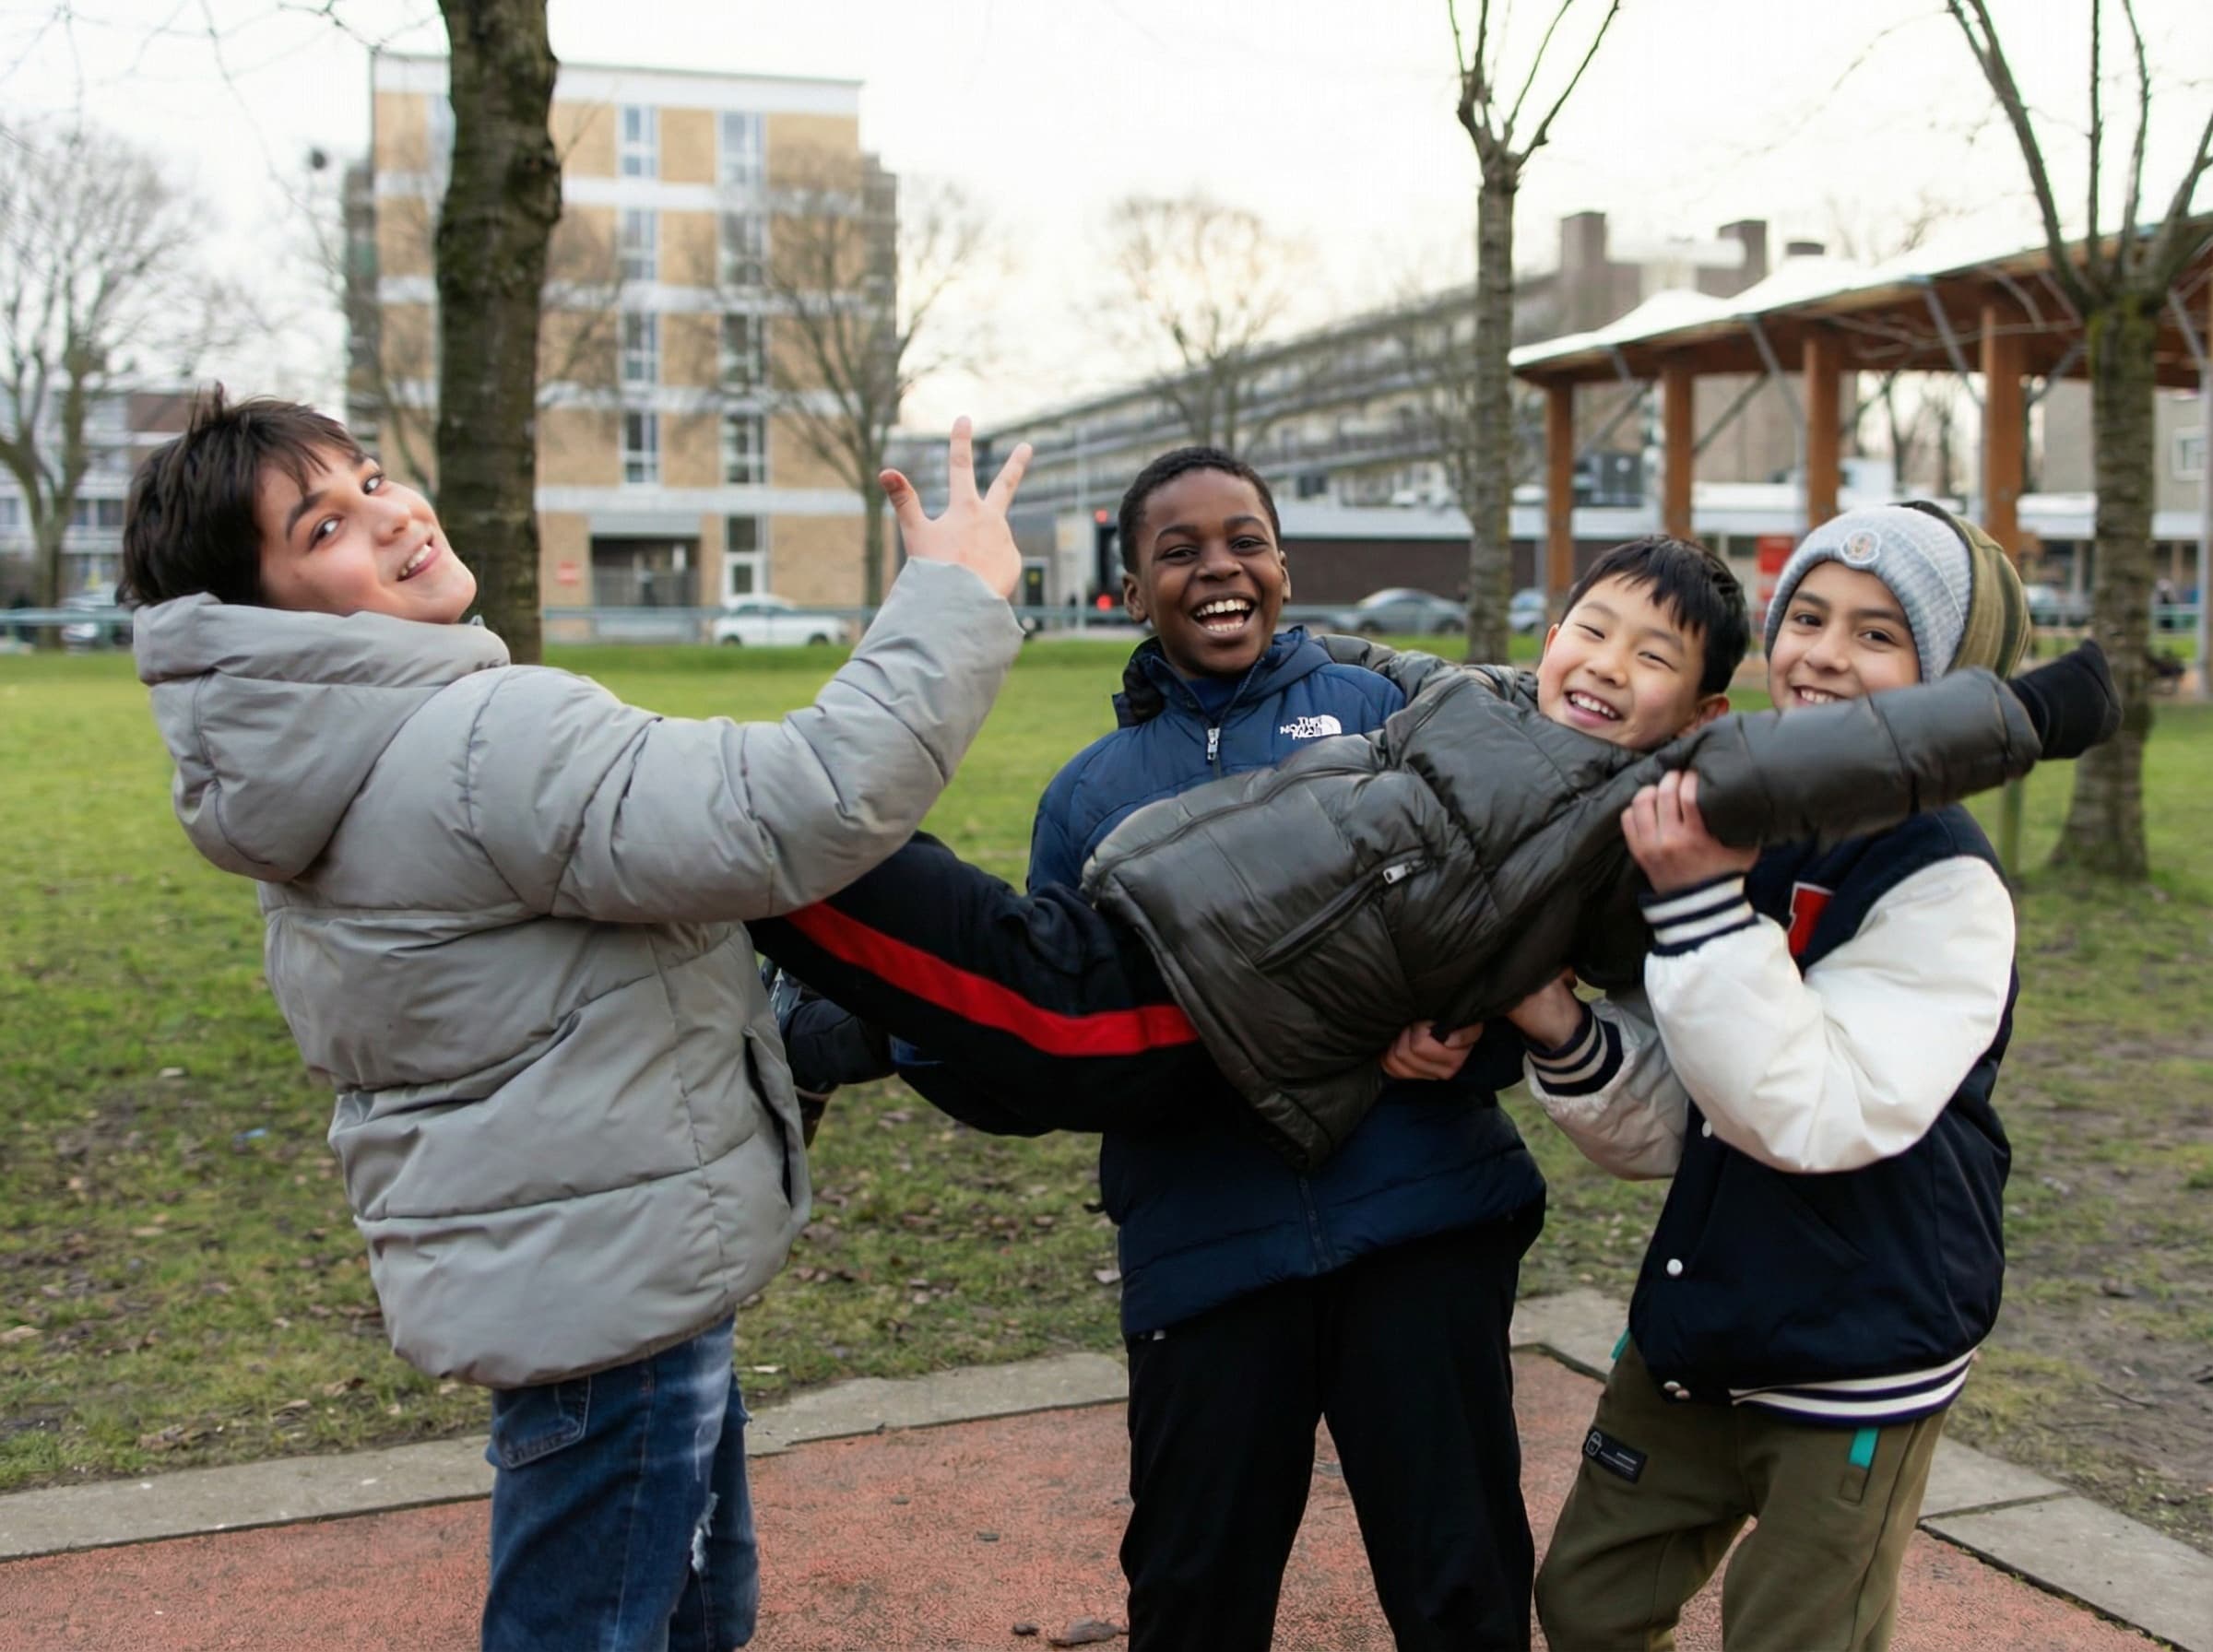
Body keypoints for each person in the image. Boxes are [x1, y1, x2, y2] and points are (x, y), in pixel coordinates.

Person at [119, 391, 1033, 1652]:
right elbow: (794, 808)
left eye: (374, 478)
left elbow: (531, 1005)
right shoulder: (486, 738)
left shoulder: (304, 791)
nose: (393, 517)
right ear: (256, 612)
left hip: (566, 1272)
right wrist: (955, 596)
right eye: (325, 523)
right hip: (616, 1292)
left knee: (686, 1618)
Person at [748, 525, 2113, 1178]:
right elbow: (1357, 650)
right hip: (1204, 904)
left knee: (1030, 1040)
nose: (1602, 669)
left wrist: (2031, 715)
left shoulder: (1665, 798)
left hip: (1263, 983)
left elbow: (1829, 762)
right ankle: (782, 934)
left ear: (1700, 714)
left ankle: (743, 850)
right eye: (1590, 629)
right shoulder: (1485, 691)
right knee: (1016, 1039)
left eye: (1651, 662)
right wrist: (1246, 649)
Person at [1016, 447, 1553, 1647]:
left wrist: (1462, 1044)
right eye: (1180, 550)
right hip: (1207, 1247)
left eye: (1245, 539)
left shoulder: (1386, 720)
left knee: (1462, 1585)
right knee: (1192, 1596)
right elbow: (1067, 1027)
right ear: (1132, 586)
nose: (1220, 568)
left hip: (1419, 1219)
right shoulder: (1087, 797)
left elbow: (1508, 932)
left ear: (1282, 562)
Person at [1515, 502, 2061, 1651]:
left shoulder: (1946, 880)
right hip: (1708, 1308)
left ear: (1950, 681)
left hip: (1864, 1336)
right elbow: (1685, 1115)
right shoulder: (1731, 812)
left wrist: (1705, 904)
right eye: (1808, 614)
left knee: (1794, 1636)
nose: (1823, 650)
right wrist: (1554, 1019)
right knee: (1589, 1602)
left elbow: (1802, 1111)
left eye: (1877, 633)